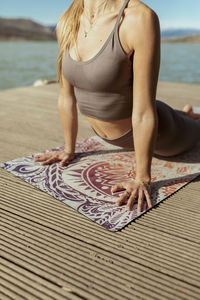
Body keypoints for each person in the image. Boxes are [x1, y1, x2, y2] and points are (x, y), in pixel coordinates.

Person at [34, 0, 200, 213]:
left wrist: (142, 178)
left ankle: (188, 118)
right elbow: (66, 96)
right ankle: (187, 112)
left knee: (194, 129)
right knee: (181, 115)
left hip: (165, 135)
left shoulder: (139, 18)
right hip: (125, 131)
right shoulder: (68, 20)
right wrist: (69, 149)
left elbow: (144, 111)